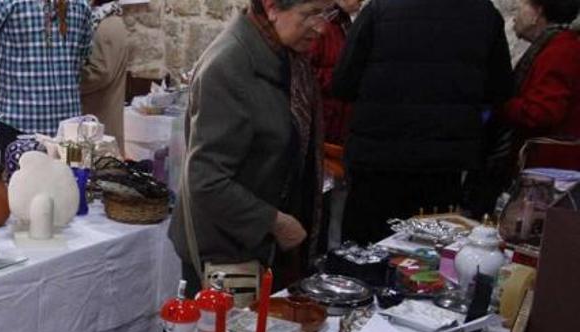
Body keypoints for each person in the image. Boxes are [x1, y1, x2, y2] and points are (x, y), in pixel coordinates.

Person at [169, 0, 329, 296]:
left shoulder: (286, 58)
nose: (320, 27)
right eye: (310, 14)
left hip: (261, 251)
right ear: (271, 7)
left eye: (325, 13)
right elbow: (205, 180)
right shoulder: (229, 66)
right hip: (226, 254)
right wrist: (275, 221)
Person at [332, 0, 513, 244]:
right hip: (444, 161)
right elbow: (499, 89)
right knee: (427, 252)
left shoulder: (379, 9)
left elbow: (343, 82)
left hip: (378, 155)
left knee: (364, 248)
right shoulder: (484, 14)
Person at [0, 0, 93, 160]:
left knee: (22, 183)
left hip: (19, 122)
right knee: (68, 183)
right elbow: (84, 54)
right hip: (68, 124)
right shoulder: (81, 3)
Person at [307, 0, 363, 249]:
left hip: (341, 135)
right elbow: (307, 73)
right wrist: (345, 79)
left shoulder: (344, 24)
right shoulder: (323, 25)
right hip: (324, 132)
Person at [503, 0, 580, 170]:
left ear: (537, 13)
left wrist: (503, 105)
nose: (515, 18)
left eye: (520, 8)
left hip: (550, 166)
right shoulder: (560, 46)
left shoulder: (560, 52)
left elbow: (542, 112)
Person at [81, 0, 129, 153]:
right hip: (98, 111)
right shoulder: (104, 21)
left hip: (100, 113)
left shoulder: (107, 26)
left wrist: (67, 80)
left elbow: (101, 72)